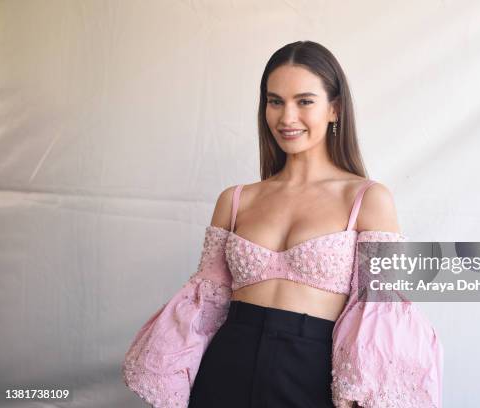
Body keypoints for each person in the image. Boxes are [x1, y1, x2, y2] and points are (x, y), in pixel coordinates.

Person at [122, 40, 443, 408]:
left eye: (304, 101)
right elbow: (206, 304)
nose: (286, 117)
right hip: (227, 368)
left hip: (313, 376)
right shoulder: (236, 199)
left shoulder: (367, 199)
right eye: (275, 101)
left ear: (334, 109)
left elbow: (379, 309)